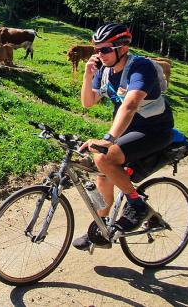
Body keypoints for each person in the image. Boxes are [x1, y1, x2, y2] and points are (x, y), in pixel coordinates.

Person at [73, 23, 174, 251]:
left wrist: (108, 139)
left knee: (104, 158)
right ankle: (99, 228)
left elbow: (130, 105)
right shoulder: (105, 71)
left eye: (105, 49)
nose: (100, 54)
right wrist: (88, 76)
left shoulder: (140, 67)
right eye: (97, 49)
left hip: (154, 130)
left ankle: (137, 205)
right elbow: (88, 102)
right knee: (102, 177)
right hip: (127, 131)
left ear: (122, 47)